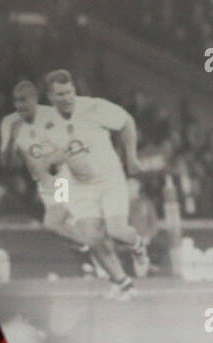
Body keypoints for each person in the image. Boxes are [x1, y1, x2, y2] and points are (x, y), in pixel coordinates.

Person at [43, 69, 150, 300]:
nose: (67, 97)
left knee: (117, 231)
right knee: (92, 237)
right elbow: (50, 166)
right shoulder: (47, 125)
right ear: (51, 98)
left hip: (110, 178)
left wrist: (131, 157)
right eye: (60, 94)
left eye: (69, 92)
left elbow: (126, 122)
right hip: (80, 185)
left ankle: (138, 246)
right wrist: (54, 166)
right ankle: (123, 284)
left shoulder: (92, 107)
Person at [0, 80, 91, 264]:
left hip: (62, 180)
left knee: (52, 223)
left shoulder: (52, 116)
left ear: (34, 99)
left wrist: (58, 158)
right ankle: (94, 252)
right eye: (16, 101)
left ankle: (90, 247)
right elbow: (11, 163)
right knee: (67, 227)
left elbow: (73, 143)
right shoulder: (13, 125)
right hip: (43, 186)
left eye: (24, 100)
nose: (20, 105)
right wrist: (8, 146)